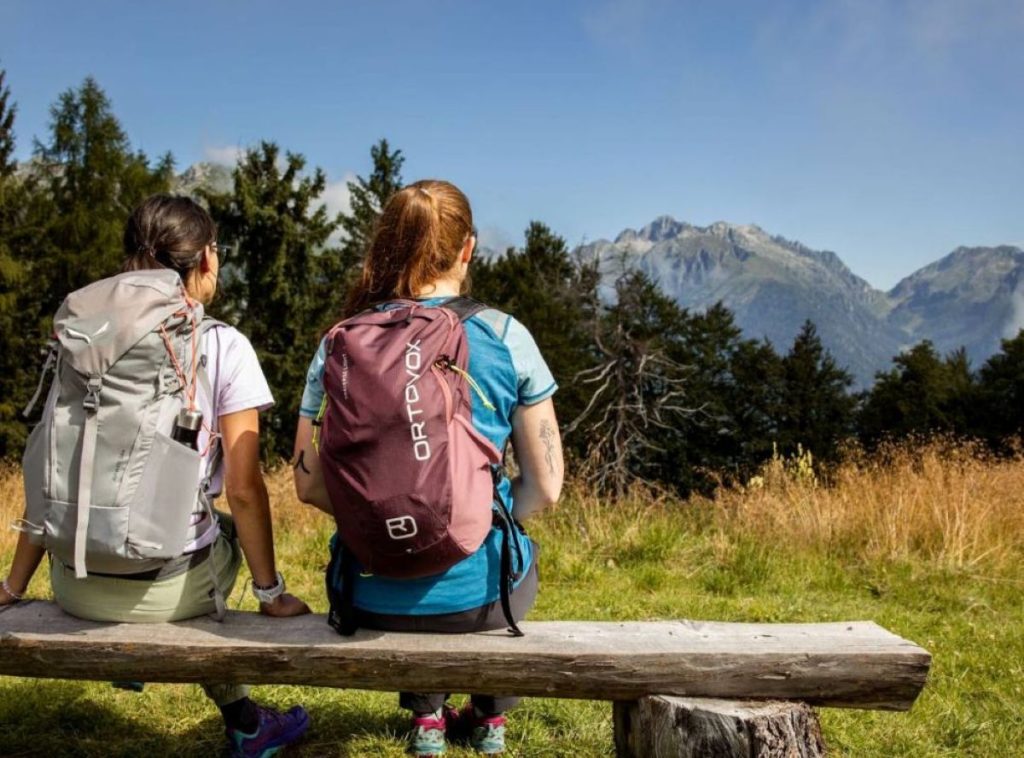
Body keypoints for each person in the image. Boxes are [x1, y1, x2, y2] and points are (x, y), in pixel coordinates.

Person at [0, 194, 312, 758]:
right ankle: (245, 723)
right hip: (162, 591)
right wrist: (271, 595)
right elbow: (242, 489)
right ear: (207, 261)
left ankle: (148, 669)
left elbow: (53, 466)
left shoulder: (80, 338)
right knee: (229, 533)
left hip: (75, 583)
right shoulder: (223, 344)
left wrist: (12, 586)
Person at [292, 179, 564, 757]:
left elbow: (307, 481)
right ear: (468, 248)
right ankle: (489, 720)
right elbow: (547, 486)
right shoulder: (505, 335)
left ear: (387, 244)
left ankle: (428, 719)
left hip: (367, 594)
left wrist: (381, 519)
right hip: (477, 599)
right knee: (513, 559)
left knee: (411, 559)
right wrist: (472, 513)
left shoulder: (339, 342)